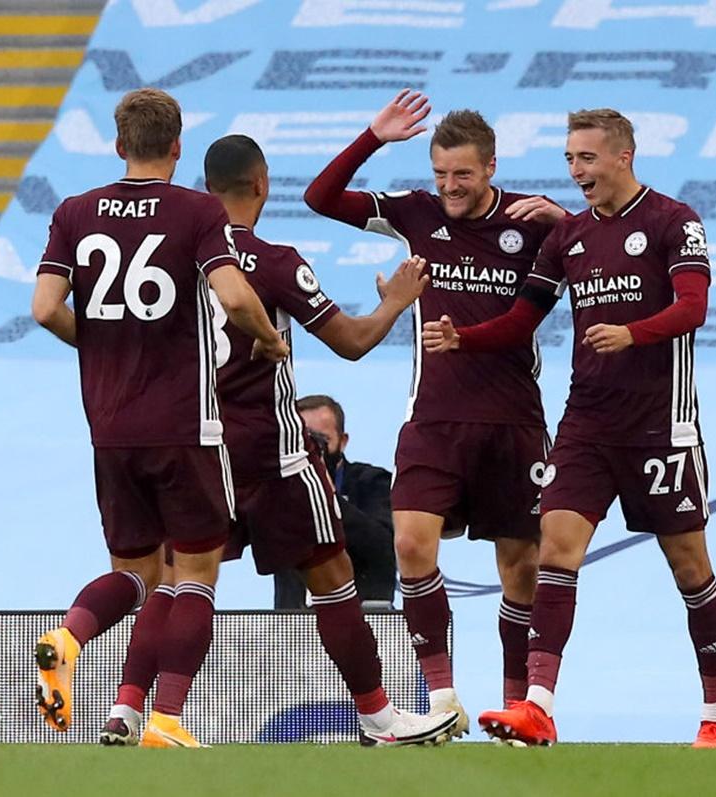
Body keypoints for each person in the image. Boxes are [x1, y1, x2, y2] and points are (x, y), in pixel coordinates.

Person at [100, 134, 458, 747]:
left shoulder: (172, 257)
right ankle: (378, 716)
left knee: (180, 581)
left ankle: (130, 710)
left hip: (193, 446)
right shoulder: (272, 259)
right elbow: (349, 341)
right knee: (332, 576)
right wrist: (397, 302)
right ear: (262, 184)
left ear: (203, 187)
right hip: (274, 454)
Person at [423, 109, 716, 749]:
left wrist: (633, 332)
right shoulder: (568, 238)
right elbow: (520, 321)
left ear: (624, 156)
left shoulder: (675, 221)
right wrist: (464, 338)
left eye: (586, 159)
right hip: (586, 423)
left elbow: (694, 307)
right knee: (555, 551)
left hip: (659, 427)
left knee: (690, 568)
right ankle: (538, 706)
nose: (575, 171)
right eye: (569, 159)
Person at [30, 88, 288, 746]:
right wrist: (268, 336)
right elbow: (233, 295)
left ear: (118, 146)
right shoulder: (196, 210)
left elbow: (42, 307)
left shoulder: (74, 212)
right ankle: (167, 718)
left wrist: (97, 340)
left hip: (109, 428)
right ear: (177, 147)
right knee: (195, 573)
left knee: (136, 572)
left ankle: (69, 633)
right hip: (183, 425)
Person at [304, 90, 566, 734]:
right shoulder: (418, 214)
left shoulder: (533, 220)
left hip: (514, 422)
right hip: (434, 420)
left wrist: (566, 219)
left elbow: (605, 247)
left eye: (463, 175)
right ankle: (442, 700)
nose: (449, 186)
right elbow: (321, 199)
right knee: (411, 543)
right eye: (441, 173)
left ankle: (517, 706)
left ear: (492, 168)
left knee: (522, 567)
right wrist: (373, 138)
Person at [270, 395, 396, 610]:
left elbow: (382, 546)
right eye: (303, 442)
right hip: (292, 627)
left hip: (367, 619)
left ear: (343, 440)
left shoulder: (373, 483)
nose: (310, 452)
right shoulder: (280, 491)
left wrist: (325, 495)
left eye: (321, 441)